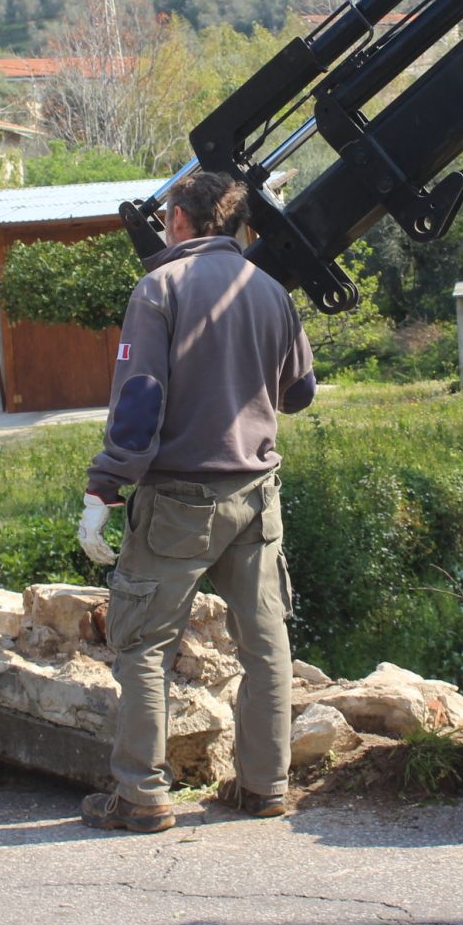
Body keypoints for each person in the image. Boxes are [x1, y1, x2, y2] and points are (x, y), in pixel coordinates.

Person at [77, 171, 316, 833]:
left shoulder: (158, 289)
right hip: (256, 494)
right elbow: (300, 392)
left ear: (177, 220)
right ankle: (266, 785)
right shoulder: (269, 291)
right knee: (266, 644)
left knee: (144, 644)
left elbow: (139, 402)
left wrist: (104, 487)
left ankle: (142, 794)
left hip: (179, 497)